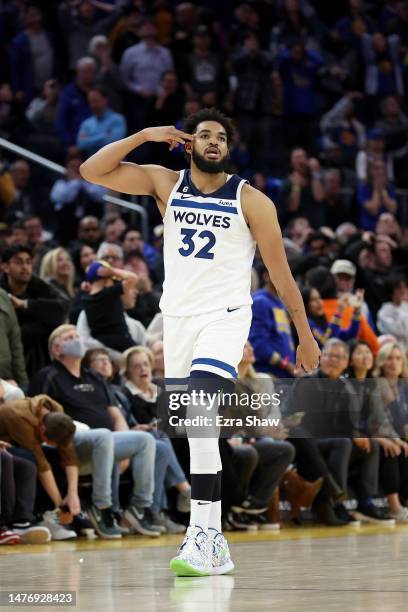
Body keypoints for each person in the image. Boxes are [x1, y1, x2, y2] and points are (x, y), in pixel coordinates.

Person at [79, 107, 320, 577]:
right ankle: (213, 543)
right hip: (179, 321)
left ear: (228, 149)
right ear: (188, 144)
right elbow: (92, 170)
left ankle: (201, 535)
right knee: (197, 429)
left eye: (221, 137)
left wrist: (304, 335)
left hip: (225, 318)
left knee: (200, 410)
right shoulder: (165, 184)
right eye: (204, 134)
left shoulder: (252, 201)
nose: (213, 141)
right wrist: (145, 134)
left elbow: (281, 276)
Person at [29, 324, 160, 538]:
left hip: (104, 442)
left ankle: (139, 507)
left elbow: (116, 416)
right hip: (70, 442)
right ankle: (102, 507)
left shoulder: (94, 377)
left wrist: (123, 443)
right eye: (70, 337)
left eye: (78, 335)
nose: (77, 340)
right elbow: (42, 416)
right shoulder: (48, 376)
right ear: (56, 349)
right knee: (103, 435)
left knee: (145, 440)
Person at [0, 245, 70, 377]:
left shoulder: (37, 285)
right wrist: (44, 320)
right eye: (19, 262)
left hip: (37, 352)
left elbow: (63, 308)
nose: (25, 267)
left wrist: (25, 304)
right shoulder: (1, 292)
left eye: (28, 262)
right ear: (5, 267)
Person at [372, 342, 408, 522]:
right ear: (381, 362)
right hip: (378, 432)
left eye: (398, 358)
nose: (394, 362)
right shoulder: (376, 385)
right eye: (389, 358)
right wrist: (396, 439)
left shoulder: (404, 386)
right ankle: (394, 506)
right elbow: (380, 420)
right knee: (392, 449)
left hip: (398, 433)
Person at [81, 259, 138, 352]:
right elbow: (133, 278)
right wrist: (113, 272)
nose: (112, 282)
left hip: (103, 343)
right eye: (111, 279)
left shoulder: (85, 299)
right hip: (122, 342)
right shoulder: (109, 293)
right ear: (105, 279)